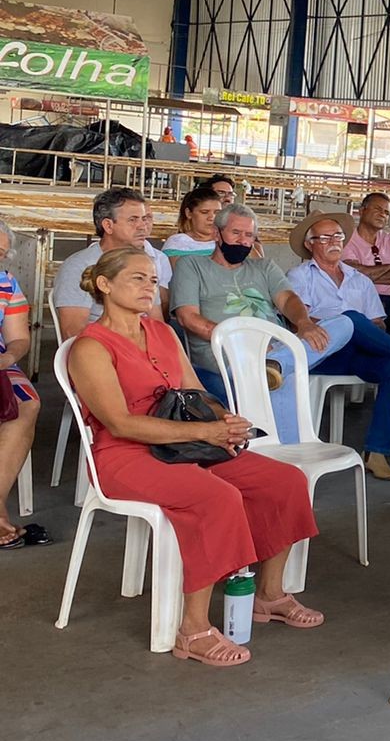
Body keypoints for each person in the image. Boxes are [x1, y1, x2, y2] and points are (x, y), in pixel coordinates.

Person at [69, 247, 323, 667]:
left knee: (285, 480)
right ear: (104, 284)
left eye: (152, 279)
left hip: (183, 443)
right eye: (137, 278)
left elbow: (194, 392)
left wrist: (225, 420)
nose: (149, 286)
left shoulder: (162, 332)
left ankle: (270, 595)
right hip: (125, 456)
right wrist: (206, 431)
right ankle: (192, 629)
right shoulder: (90, 347)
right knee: (215, 496)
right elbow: (121, 424)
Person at [171, 203, 353, 444]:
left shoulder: (263, 266)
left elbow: (288, 299)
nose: (243, 241)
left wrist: (304, 323)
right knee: (281, 377)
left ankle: (275, 364)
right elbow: (187, 317)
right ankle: (289, 459)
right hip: (227, 354)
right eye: (236, 233)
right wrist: (247, 346)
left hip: (274, 350)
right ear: (217, 233)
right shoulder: (192, 266)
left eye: (249, 235)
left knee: (345, 323)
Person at [285, 212, 390, 481]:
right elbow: (300, 323)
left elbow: (377, 325)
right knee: (350, 319)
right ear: (311, 244)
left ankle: (377, 452)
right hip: (321, 352)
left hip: (357, 353)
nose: (334, 241)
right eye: (325, 237)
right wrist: (343, 327)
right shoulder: (299, 276)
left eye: (338, 236)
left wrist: (363, 332)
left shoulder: (360, 279)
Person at [55, 188, 173, 338]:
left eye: (144, 219)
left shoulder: (146, 266)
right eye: (133, 220)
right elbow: (73, 333)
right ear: (108, 226)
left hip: (144, 350)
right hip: (101, 351)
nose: (143, 226)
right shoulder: (79, 266)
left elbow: (157, 324)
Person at [0, 219, 45, 550]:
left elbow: (18, 338)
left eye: (1, 254)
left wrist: (6, 359)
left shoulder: (7, 284)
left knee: (26, 403)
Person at [341, 192, 390, 324]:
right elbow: (353, 275)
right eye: (377, 209)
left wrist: (368, 276)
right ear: (362, 211)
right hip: (361, 301)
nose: (382, 215)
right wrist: (389, 267)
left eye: (386, 212)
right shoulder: (347, 240)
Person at [163, 185, 220, 262]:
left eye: (217, 212)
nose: (211, 218)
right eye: (204, 212)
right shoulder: (178, 243)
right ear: (189, 213)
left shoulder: (227, 241)